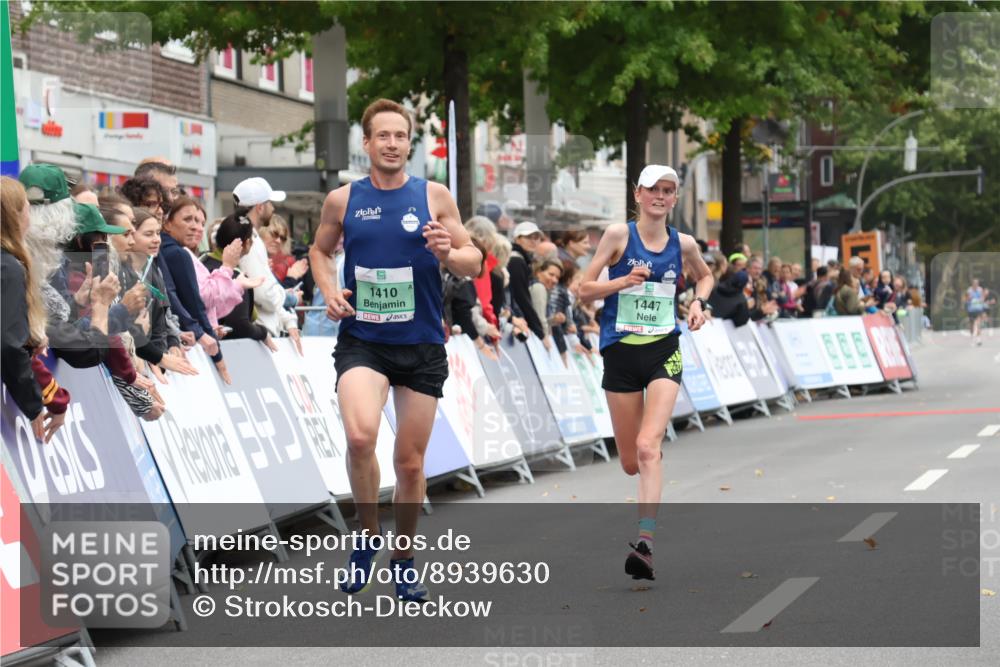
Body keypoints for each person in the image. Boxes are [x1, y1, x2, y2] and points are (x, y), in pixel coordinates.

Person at [309, 98, 482, 602]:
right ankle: (366, 535)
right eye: (382, 136)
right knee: (361, 437)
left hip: (422, 341)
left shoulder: (434, 196)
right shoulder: (342, 200)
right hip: (364, 339)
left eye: (400, 136)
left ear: (410, 143)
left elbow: (473, 261)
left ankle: (403, 557)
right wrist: (327, 288)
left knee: (409, 464)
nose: (391, 144)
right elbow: (320, 251)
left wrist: (449, 252)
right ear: (366, 143)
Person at [579, 165, 713, 582]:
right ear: (637, 194)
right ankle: (645, 469)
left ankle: (646, 543)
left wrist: (697, 304)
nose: (660, 196)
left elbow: (705, 276)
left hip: (662, 352)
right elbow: (582, 288)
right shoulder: (619, 236)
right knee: (629, 462)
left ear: (675, 199)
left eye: (668, 190)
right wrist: (620, 283)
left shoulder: (684, 242)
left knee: (648, 446)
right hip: (619, 354)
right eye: (653, 189)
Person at [1, 176, 69, 443]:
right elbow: (7, 345)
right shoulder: (7, 267)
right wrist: (34, 403)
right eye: (27, 206)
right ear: (15, 215)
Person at [158, 197, 231, 383]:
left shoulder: (173, 250)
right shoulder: (178, 254)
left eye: (199, 222)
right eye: (187, 219)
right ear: (167, 223)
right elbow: (192, 305)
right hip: (181, 345)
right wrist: (218, 357)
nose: (195, 227)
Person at [231, 177, 303, 354]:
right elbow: (264, 294)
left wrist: (288, 320)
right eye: (269, 202)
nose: (273, 208)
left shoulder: (252, 239)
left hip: (260, 334)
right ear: (259, 207)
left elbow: (267, 291)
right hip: (259, 337)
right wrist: (287, 297)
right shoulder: (251, 241)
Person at [203, 214, 278, 348]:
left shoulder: (199, 263)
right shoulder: (237, 277)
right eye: (251, 238)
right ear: (247, 243)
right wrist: (263, 332)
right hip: (224, 352)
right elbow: (239, 325)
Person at [507, 221, 548, 344]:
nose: (533, 241)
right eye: (529, 237)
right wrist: (540, 332)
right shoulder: (516, 260)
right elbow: (522, 297)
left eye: (536, 238)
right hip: (512, 319)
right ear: (517, 238)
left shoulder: (521, 259)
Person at [530, 259, 563, 353]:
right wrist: (545, 337)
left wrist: (553, 320)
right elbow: (539, 318)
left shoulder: (543, 289)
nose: (554, 280)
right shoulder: (539, 288)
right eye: (551, 274)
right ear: (539, 272)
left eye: (557, 277)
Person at [964, 278, 987, 346]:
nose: (976, 285)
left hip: (978, 309)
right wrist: (969, 298)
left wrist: (981, 299)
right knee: (971, 325)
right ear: (972, 284)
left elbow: (982, 298)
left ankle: (979, 339)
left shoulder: (980, 290)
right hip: (971, 310)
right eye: (974, 283)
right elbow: (966, 299)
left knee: (978, 324)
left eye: (977, 283)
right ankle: (972, 338)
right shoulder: (969, 290)